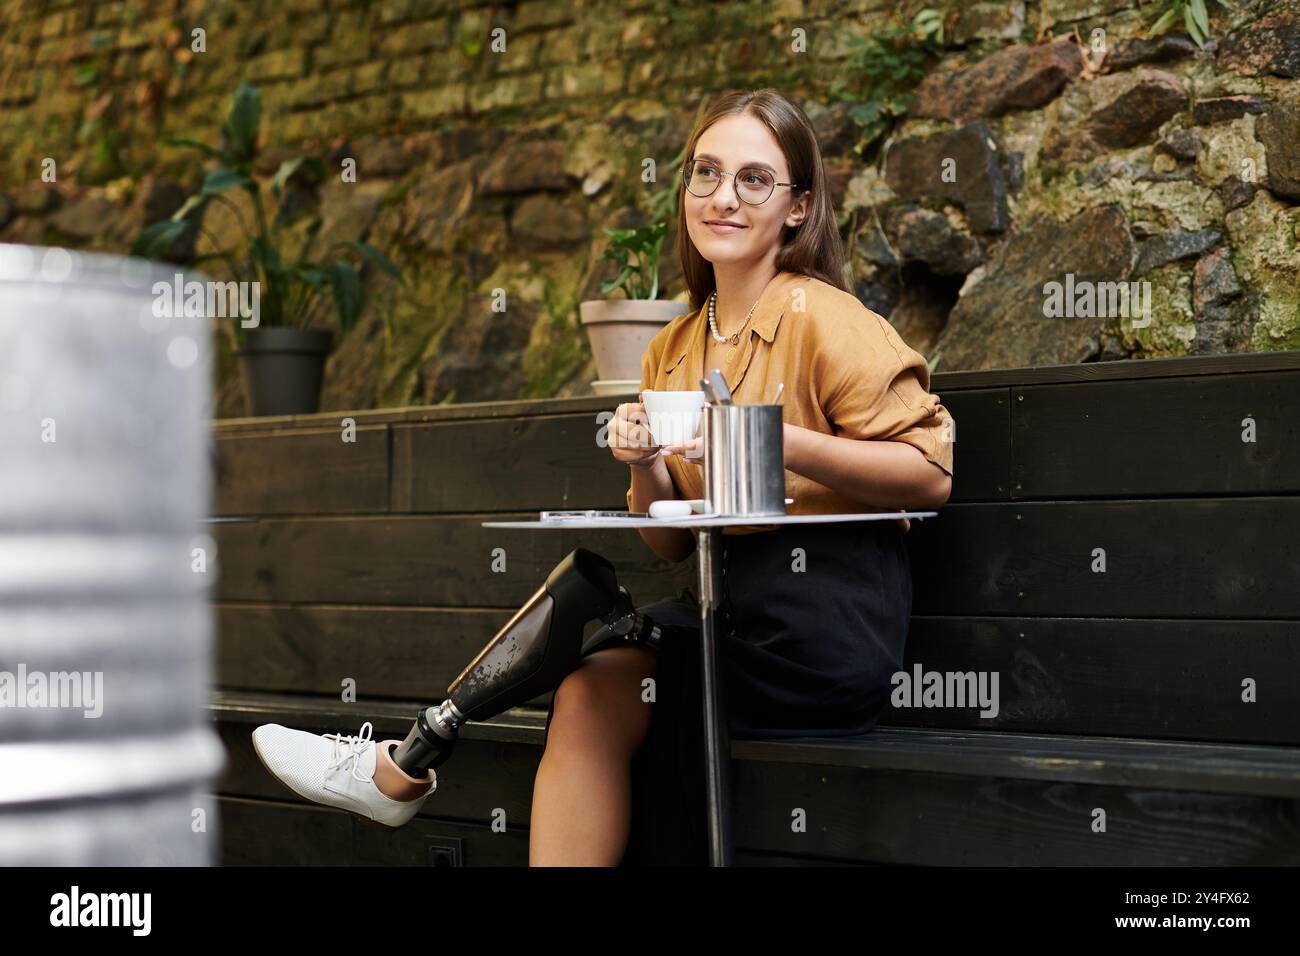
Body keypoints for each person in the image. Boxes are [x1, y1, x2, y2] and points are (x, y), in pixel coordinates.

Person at [252, 87, 954, 866]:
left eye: (754, 179)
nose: (723, 196)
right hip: (724, 608)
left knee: (602, 663)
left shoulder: (825, 319)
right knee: (587, 679)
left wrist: (776, 439)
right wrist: (647, 462)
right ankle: (405, 761)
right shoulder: (674, 346)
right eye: (706, 174)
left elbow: (927, 475)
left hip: (825, 626)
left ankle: (404, 762)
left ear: (798, 205)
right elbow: (664, 546)